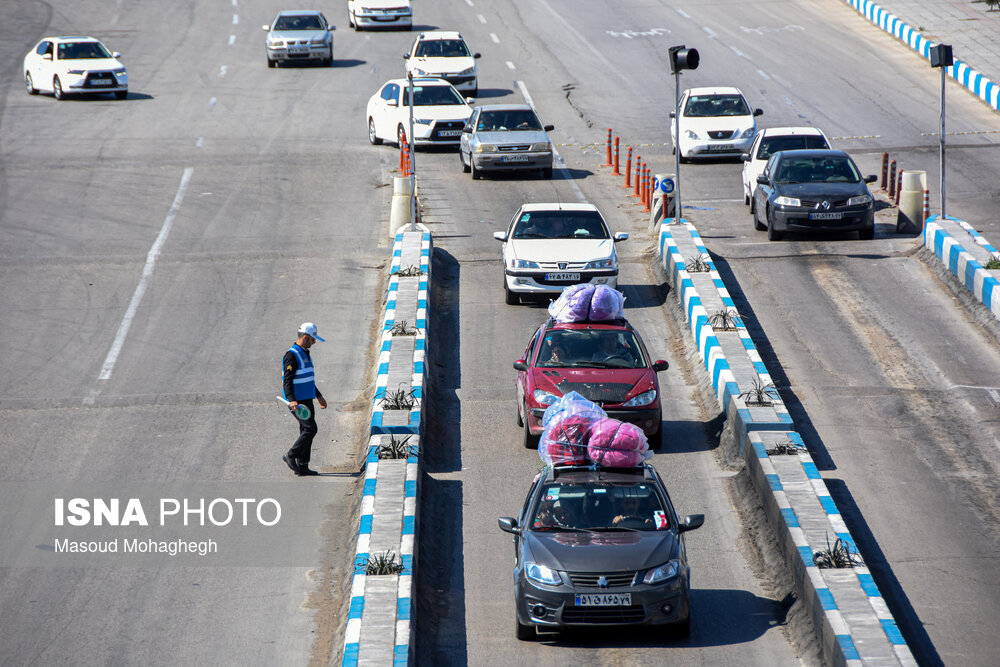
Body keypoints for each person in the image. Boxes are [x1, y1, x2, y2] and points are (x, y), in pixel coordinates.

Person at [281, 322, 328, 476]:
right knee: (310, 428)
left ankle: (302, 465)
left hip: (307, 398)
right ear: (306, 337)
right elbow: (287, 380)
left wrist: (319, 396)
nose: (314, 343)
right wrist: (291, 400)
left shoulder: (305, 352)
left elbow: (307, 378)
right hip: (297, 401)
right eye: (313, 339)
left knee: (305, 429)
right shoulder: (291, 355)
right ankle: (290, 454)